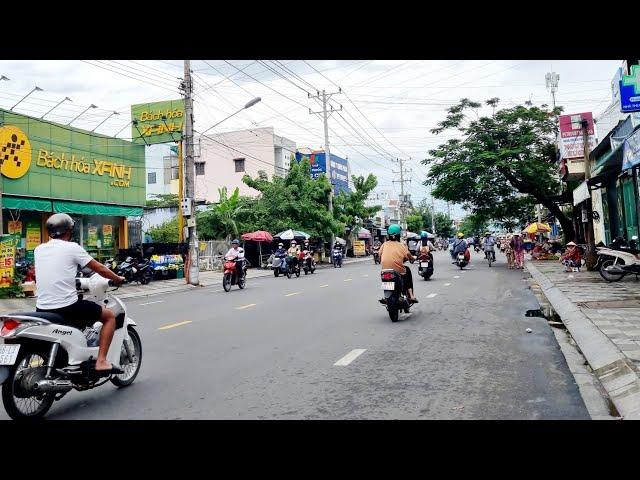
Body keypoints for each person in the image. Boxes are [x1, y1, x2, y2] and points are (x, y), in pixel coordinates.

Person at [34, 213, 125, 375]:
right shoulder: (72, 248)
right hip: (66, 307)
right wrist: (117, 278)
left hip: (41, 308)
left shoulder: (39, 249)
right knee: (109, 316)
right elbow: (100, 269)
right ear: (69, 231)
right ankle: (102, 361)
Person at [379, 224, 418, 303]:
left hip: (385, 271)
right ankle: (411, 295)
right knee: (407, 271)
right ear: (398, 235)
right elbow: (408, 255)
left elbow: (379, 256)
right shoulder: (401, 245)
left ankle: (386, 297)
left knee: (385, 280)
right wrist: (412, 259)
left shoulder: (384, 245)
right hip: (397, 271)